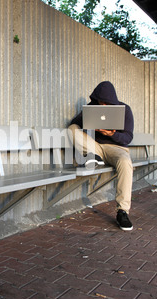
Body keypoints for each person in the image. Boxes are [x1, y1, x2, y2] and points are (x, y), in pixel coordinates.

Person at [68, 81, 135, 231]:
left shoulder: (125, 110)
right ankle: (92, 156)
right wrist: (89, 120)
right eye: (101, 102)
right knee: (72, 128)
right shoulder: (92, 108)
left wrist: (112, 134)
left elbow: (128, 138)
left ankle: (122, 211)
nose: (103, 106)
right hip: (95, 147)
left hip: (116, 148)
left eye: (107, 103)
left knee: (125, 162)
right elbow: (74, 124)